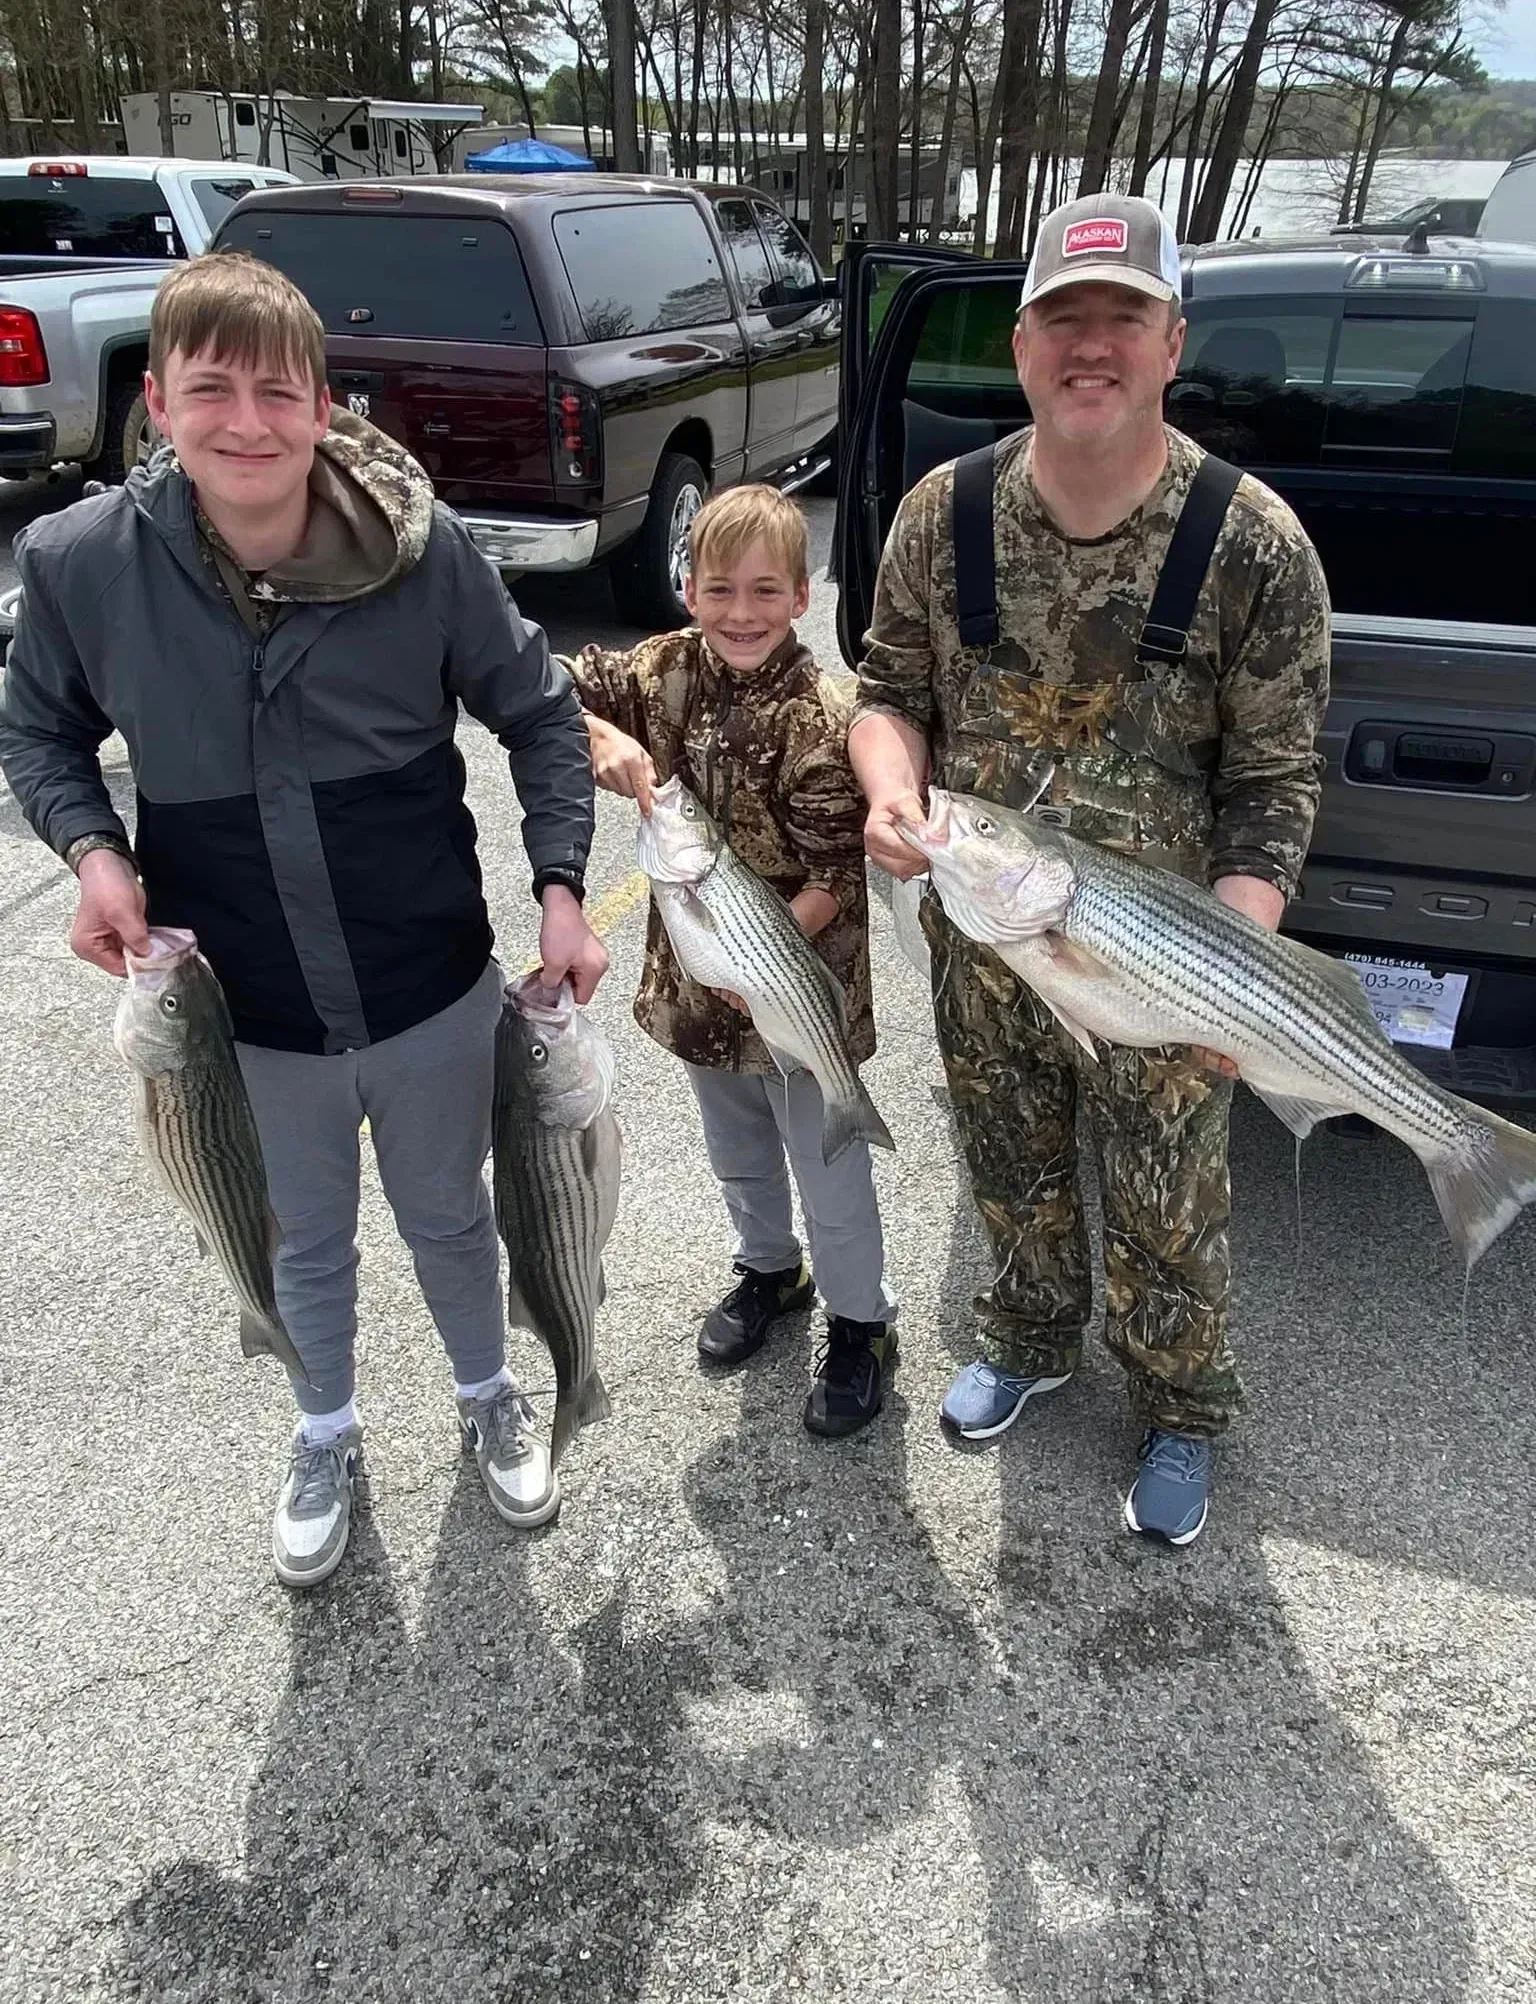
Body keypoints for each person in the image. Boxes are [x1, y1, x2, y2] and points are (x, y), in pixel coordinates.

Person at [0, 252, 609, 1587]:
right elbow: (37, 727)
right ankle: (323, 1426)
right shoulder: (80, 565)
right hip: (249, 1013)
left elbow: (541, 712)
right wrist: (92, 848)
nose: (246, 423)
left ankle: (487, 1393)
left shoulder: (424, 551)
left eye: (278, 392)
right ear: (155, 403)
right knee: (300, 1238)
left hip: (431, 988)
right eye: (208, 389)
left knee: (454, 1216)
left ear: (325, 405)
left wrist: (562, 886)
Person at [849, 192, 1331, 1545]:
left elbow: (1275, 780)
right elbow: (886, 691)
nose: (1093, 345)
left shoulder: (1253, 544)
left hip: (1173, 949)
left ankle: (1179, 1407)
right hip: (986, 937)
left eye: (1124, 318)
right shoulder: (946, 516)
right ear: (1021, 345)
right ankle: (1030, 1336)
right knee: (1009, 1169)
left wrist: (1237, 960)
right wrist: (894, 793)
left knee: (1175, 1201)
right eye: (1067, 317)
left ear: (1174, 342)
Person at [565, 484, 897, 1438]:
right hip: (700, 997)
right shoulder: (659, 668)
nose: (739, 614)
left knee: (830, 1174)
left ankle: (862, 1323)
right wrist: (597, 731)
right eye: (718, 590)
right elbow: (546, 679)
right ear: (687, 588)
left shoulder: (819, 715)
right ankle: (768, 1269)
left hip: (796, 994)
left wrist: (762, 955)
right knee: (738, 1155)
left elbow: (837, 869)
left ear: (801, 595)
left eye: (763, 592)